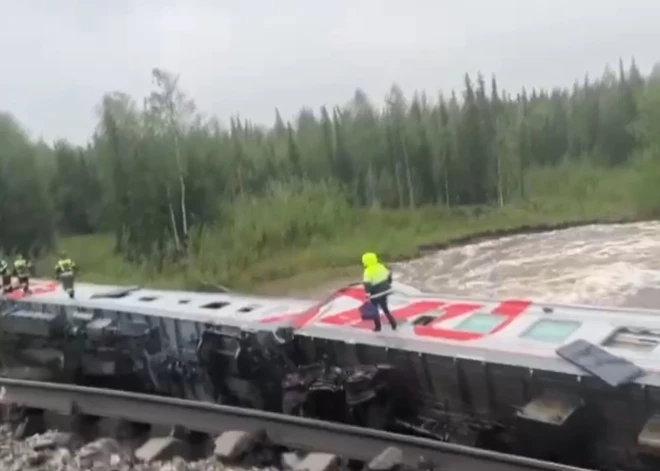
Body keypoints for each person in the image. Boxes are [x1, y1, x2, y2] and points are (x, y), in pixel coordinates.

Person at [361, 252, 397, 332]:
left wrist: (367, 294)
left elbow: (367, 284)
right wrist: (388, 283)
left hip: (376, 294)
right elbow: (389, 274)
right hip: (386, 291)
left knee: (375, 310)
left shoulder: (368, 271)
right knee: (385, 308)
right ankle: (393, 323)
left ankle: (378, 327)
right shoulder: (381, 266)